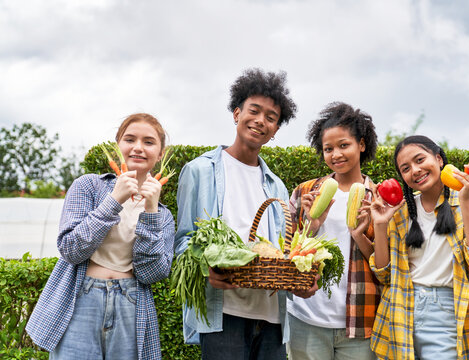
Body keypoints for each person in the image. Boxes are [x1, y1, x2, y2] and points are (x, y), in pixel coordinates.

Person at [175, 68, 313, 360]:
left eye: (271, 118)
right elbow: (184, 241)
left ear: (275, 131)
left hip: (271, 318)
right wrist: (205, 269)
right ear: (237, 113)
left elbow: (281, 251)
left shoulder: (275, 184)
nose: (261, 121)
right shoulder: (200, 171)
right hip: (223, 315)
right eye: (254, 110)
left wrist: (298, 280)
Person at [26, 113, 175, 359]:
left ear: (160, 153)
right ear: (119, 145)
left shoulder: (163, 214)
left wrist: (150, 210)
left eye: (149, 142)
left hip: (131, 301)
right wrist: (114, 200)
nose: (138, 147)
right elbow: (71, 249)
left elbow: (153, 273)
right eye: (130, 139)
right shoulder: (88, 186)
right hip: (81, 297)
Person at [369, 135, 469, 359]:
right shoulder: (400, 212)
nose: (415, 170)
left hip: (445, 311)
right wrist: (380, 225)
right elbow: (384, 274)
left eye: (420, 160)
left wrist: (465, 199)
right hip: (399, 309)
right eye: (406, 168)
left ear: (439, 159)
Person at [287, 102, 380, 360]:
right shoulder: (305, 192)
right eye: (328, 149)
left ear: (361, 144)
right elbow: (286, 256)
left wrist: (359, 233)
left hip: (360, 322)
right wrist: (311, 227)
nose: (335, 154)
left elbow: (385, 267)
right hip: (307, 318)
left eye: (343, 145)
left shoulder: (379, 199)